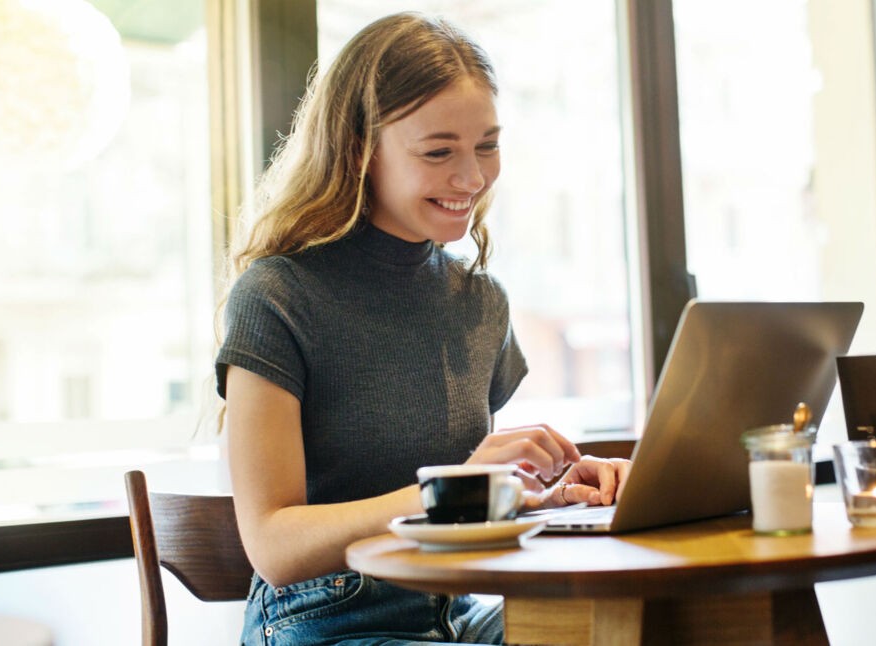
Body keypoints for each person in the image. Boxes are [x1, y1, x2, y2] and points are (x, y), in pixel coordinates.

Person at [215, 12, 630, 646]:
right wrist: (448, 490)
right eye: (439, 152)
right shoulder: (277, 297)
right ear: (360, 150)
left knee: (643, 625)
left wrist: (546, 495)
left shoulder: (480, 301)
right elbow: (273, 545)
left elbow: (461, 513)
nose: (472, 179)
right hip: (322, 624)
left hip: (454, 616)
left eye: (487, 145)